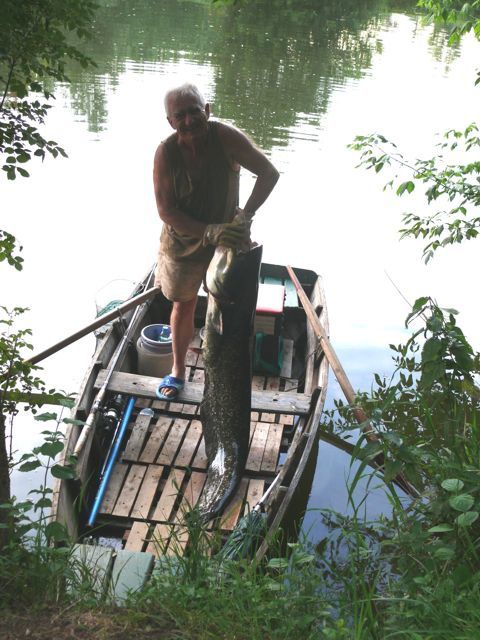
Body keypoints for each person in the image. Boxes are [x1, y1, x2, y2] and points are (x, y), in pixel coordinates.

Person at [153, 82, 279, 400]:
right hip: (182, 242)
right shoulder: (165, 154)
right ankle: (179, 370)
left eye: (194, 111)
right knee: (183, 306)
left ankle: (225, 372)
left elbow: (268, 172)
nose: (189, 120)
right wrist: (208, 231)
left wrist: (244, 216)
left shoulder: (224, 137)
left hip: (227, 242)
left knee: (232, 308)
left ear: (206, 110)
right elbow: (166, 210)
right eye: (179, 115)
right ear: (170, 121)